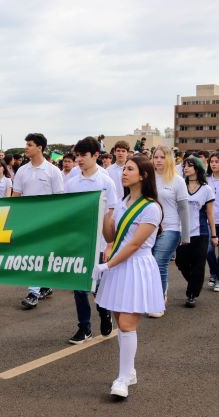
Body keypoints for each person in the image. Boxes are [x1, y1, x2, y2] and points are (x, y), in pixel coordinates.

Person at [94, 155, 165, 398]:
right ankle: (130, 370)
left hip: (136, 267)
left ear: (143, 175)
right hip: (118, 267)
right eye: (124, 169)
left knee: (126, 323)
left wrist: (106, 265)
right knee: (120, 322)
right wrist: (104, 215)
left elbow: (134, 244)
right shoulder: (123, 201)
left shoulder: (152, 208)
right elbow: (111, 236)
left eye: (130, 169)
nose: (124, 172)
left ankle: (123, 379)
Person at [64, 137, 117, 344]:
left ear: (96, 155)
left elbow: (111, 212)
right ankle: (84, 327)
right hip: (79, 240)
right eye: (77, 155)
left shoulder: (106, 182)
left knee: (97, 285)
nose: (79, 159)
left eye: (83, 155)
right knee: (79, 285)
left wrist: (110, 243)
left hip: (100, 242)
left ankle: (104, 312)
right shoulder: (71, 183)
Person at [12, 133, 64, 308]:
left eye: (30, 144)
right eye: (26, 144)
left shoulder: (53, 171)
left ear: (40, 148)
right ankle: (44, 285)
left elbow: (59, 199)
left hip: (46, 221)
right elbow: (16, 196)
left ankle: (33, 293)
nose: (26, 147)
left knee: (37, 255)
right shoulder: (22, 170)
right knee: (32, 255)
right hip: (27, 220)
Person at [150, 146, 189, 317]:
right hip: (151, 228)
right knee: (150, 264)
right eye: (155, 157)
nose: (158, 160)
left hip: (171, 228)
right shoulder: (148, 178)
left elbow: (183, 209)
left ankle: (159, 301)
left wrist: (185, 234)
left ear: (169, 159)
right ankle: (153, 297)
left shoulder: (177, 180)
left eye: (162, 157)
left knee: (159, 262)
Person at [175, 156, 217, 307]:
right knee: (181, 261)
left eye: (190, 165)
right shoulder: (180, 186)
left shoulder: (206, 189)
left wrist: (214, 235)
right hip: (181, 231)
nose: (185, 168)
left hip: (201, 232)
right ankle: (194, 282)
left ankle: (191, 294)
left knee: (199, 264)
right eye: (185, 165)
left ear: (197, 168)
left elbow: (210, 214)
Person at [207, 152, 219, 290]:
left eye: (216, 161)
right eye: (212, 162)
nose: (214, 164)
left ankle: (216, 277)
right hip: (210, 221)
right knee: (209, 251)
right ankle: (215, 273)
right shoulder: (206, 179)